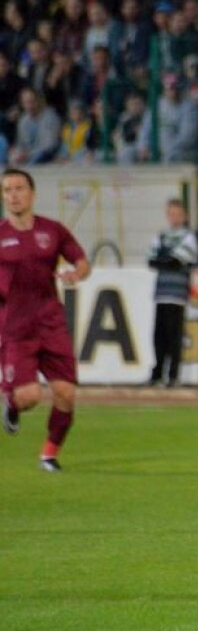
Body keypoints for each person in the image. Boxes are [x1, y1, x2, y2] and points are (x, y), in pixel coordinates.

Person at [0, 168, 91, 472]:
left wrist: (77, 273)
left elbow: (81, 260)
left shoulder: (53, 231)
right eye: (7, 190)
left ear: (32, 194)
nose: (13, 195)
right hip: (16, 329)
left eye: (19, 188)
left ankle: (49, 453)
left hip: (51, 323)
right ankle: (12, 405)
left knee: (66, 393)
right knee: (29, 397)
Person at [148, 199, 198, 387]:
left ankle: (173, 375)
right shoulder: (162, 236)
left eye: (178, 214)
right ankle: (157, 373)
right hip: (161, 293)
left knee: (174, 336)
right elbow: (152, 260)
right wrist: (167, 259)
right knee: (158, 336)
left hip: (177, 294)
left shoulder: (188, 237)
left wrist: (165, 259)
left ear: (184, 216)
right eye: (171, 213)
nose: (174, 217)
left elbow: (175, 261)